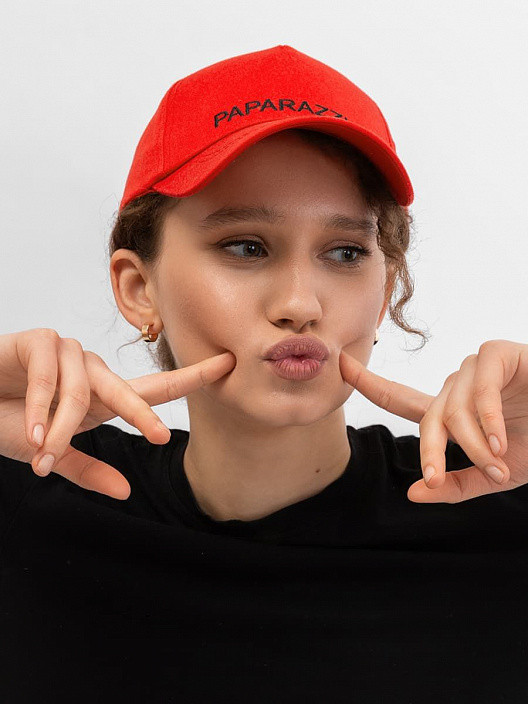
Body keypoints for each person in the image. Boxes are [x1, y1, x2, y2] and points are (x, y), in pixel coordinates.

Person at [1, 44, 527, 703]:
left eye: (345, 252)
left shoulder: (496, 498)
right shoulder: (33, 492)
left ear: (384, 291)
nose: (300, 304)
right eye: (246, 246)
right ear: (139, 289)